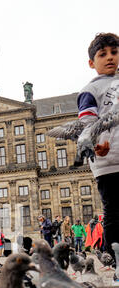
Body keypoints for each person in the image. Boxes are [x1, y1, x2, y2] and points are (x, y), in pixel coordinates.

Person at [78, 32, 119, 261]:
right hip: (107, 161)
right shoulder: (90, 90)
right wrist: (94, 142)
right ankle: (112, 258)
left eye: (114, 52)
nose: (110, 57)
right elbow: (87, 123)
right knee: (113, 212)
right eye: (103, 54)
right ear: (92, 63)